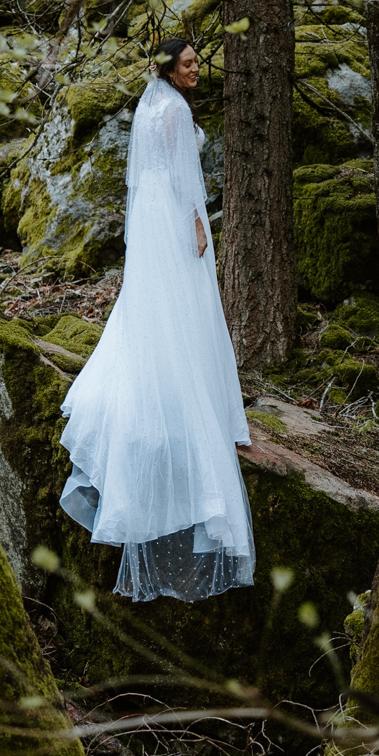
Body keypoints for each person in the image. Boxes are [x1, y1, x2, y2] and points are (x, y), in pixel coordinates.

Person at [57, 38, 255, 602]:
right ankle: (188, 392)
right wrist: (197, 223)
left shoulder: (151, 105)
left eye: (197, 61)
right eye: (189, 63)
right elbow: (180, 176)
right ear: (170, 69)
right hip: (168, 211)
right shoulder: (172, 108)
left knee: (153, 303)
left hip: (148, 212)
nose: (197, 70)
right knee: (179, 301)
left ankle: (166, 375)